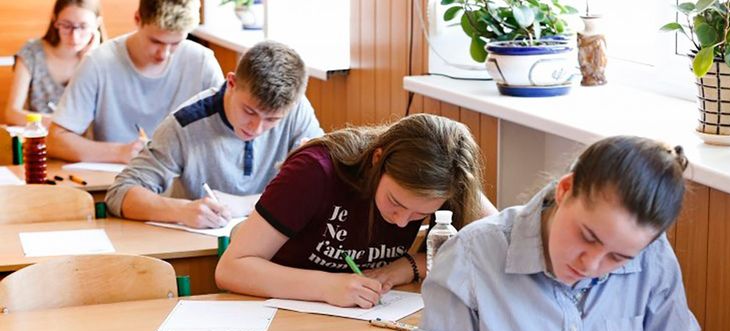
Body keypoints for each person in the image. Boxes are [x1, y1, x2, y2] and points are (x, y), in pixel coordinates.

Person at [399, 136, 702, 331]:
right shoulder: (473, 251)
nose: (591, 265)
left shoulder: (651, 254)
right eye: (588, 236)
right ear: (565, 189)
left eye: (618, 257)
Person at [215, 113, 498, 308]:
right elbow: (231, 269)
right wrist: (327, 287)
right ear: (377, 159)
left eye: (419, 215)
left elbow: (497, 250)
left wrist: (407, 266)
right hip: (278, 311)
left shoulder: (446, 177)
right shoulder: (314, 171)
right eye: (395, 202)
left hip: (367, 315)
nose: (402, 223)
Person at [104, 41, 323, 229]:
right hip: (203, 247)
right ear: (231, 83)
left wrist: (248, 204)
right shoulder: (185, 124)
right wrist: (182, 210)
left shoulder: (296, 111)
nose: (256, 129)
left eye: (272, 120)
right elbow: (120, 193)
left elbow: (324, 183)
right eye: (249, 111)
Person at [48, 0, 224, 164]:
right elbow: (55, 140)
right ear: (138, 19)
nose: (164, 54)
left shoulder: (202, 62)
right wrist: (120, 152)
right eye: (155, 41)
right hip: (115, 179)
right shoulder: (98, 62)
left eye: (175, 43)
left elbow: (226, 134)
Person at [4, 0, 104, 127]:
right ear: (55, 21)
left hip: (80, 138)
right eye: (66, 26)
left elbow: (100, 119)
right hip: (40, 136)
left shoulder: (102, 59)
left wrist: (89, 61)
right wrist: (61, 124)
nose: (74, 37)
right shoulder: (32, 53)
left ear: (97, 24)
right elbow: (12, 113)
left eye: (83, 27)